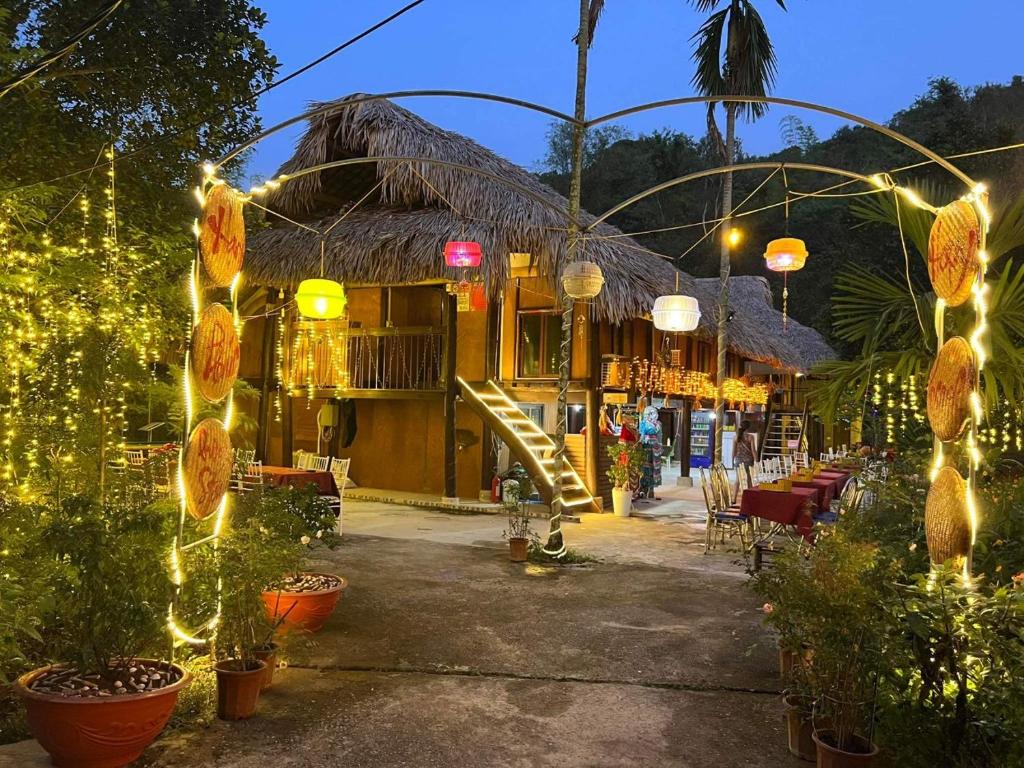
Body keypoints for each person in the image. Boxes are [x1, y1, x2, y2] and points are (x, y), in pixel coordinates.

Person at [638, 406, 663, 498]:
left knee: (653, 468)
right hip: (645, 446)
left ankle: (651, 489)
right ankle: (644, 488)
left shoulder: (657, 424)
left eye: (650, 413)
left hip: (654, 448)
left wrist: (660, 447)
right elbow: (641, 434)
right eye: (647, 414)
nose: (648, 415)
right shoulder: (643, 423)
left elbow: (659, 435)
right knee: (644, 468)